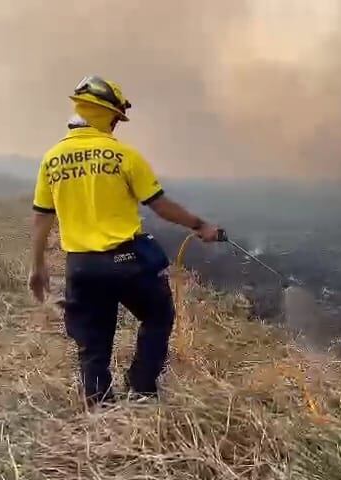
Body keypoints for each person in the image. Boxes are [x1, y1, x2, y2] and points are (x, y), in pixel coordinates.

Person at [28, 75, 225, 406]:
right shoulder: (125, 156)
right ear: (109, 116)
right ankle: (142, 390)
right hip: (127, 261)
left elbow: (41, 217)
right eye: (118, 119)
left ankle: (100, 407)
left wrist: (37, 267)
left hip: (82, 266)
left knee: (92, 342)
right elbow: (160, 206)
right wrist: (201, 226)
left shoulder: (52, 159)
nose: (118, 126)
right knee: (158, 315)